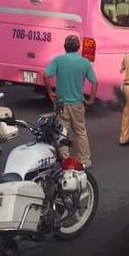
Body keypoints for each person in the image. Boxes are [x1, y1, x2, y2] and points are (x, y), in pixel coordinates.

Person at [43, 35, 98, 169]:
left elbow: (45, 75)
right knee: (80, 132)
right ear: (78, 47)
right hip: (78, 103)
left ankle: (65, 159)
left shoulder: (58, 60)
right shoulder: (85, 63)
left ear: (65, 47)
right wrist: (90, 99)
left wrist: (50, 92)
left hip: (61, 103)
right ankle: (85, 160)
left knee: (62, 131)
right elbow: (95, 82)